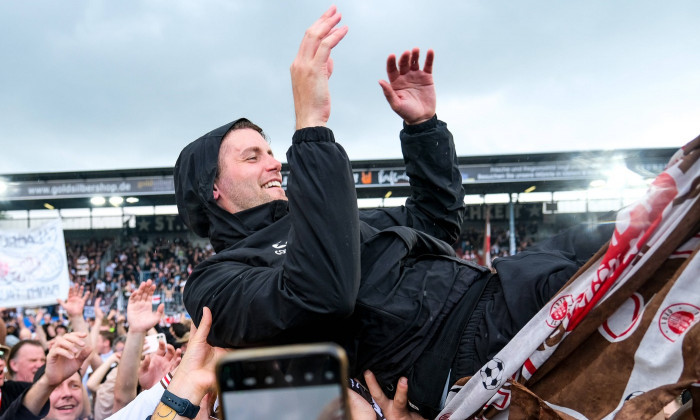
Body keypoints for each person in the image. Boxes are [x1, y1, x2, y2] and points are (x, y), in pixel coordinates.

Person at [175, 7, 613, 418]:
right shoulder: (216, 281)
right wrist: (310, 126)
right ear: (211, 188)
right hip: (465, 352)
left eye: (271, 151)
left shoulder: (323, 221)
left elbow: (436, 225)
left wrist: (423, 130)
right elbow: (323, 295)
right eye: (253, 157)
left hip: (497, 286)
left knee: (620, 230)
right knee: (645, 251)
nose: (274, 163)